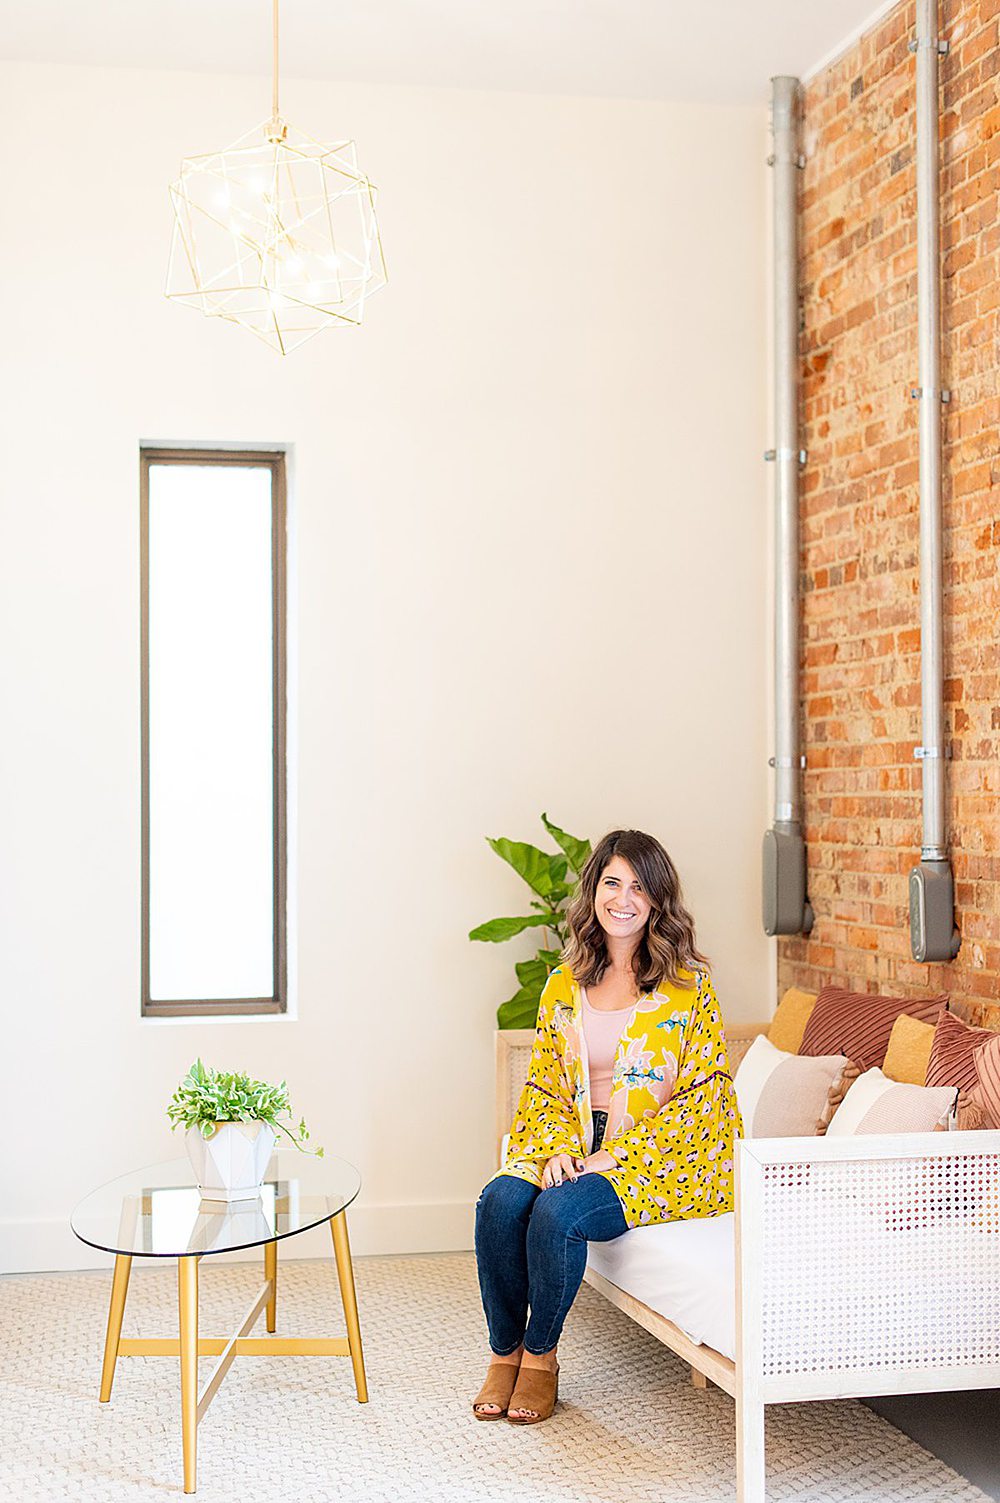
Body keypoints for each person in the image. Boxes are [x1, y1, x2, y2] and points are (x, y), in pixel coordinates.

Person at [472, 827, 741, 1424]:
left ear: (657, 902)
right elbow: (543, 1081)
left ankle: (540, 1360)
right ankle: (503, 1353)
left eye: (639, 888)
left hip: (654, 1157)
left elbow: (709, 1098)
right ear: (594, 890)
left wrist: (610, 1158)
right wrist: (559, 1151)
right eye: (612, 883)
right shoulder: (564, 982)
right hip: (567, 1137)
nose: (623, 898)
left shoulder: (688, 988)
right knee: (499, 1202)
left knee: (557, 1213)